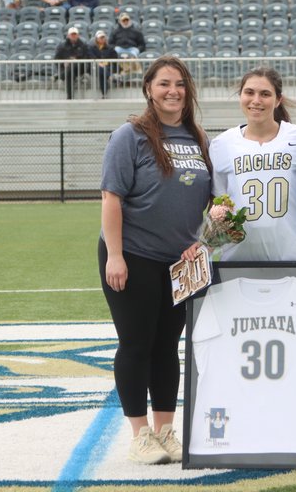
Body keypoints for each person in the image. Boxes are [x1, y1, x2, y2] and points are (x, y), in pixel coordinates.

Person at [99, 56, 212, 465]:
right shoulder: (130, 136)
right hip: (133, 255)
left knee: (167, 346)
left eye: (180, 84)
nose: (173, 91)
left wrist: (204, 242)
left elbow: (208, 203)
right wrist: (115, 255)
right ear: (149, 88)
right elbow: (111, 198)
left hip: (180, 263)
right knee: (136, 343)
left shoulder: (196, 137)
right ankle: (139, 433)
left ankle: (165, 431)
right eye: (164, 83)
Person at [199, 67, 296, 262]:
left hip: (295, 257)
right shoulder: (222, 144)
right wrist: (208, 242)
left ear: (278, 99)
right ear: (240, 96)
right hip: (238, 261)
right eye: (249, 92)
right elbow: (219, 205)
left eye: (265, 94)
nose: (256, 100)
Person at [55, 25, 92, 99]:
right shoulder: (62, 46)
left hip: (80, 67)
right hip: (68, 69)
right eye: (72, 34)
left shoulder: (83, 45)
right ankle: (70, 96)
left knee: (72, 66)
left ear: (78, 35)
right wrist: (64, 62)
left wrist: (76, 61)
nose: (73, 36)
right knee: (69, 72)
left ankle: (61, 77)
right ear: (68, 35)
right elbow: (56, 59)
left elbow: (87, 58)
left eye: (75, 34)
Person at [89, 29, 119, 98]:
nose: (102, 39)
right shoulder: (92, 48)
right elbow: (91, 57)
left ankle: (104, 94)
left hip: (108, 67)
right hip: (95, 67)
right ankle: (110, 77)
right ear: (96, 39)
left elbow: (114, 58)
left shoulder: (110, 48)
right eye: (100, 37)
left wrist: (106, 63)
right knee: (100, 69)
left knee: (102, 72)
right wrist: (99, 63)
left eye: (103, 37)